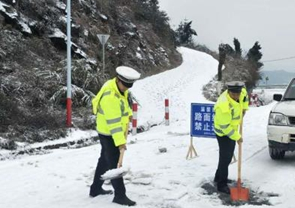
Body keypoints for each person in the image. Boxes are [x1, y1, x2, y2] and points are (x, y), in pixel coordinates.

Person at [90, 66, 141, 206]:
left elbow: (123, 104)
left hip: (110, 131)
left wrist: (129, 115)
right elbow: (114, 124)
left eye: (128, 86)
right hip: (109, 133)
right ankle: (120, 195)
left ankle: (95, 188)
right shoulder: (110, 96)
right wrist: (120, 143)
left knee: (104, 160)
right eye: (125, 85)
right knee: (115, 165)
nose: (126, 88)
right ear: (118, 80)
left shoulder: (117, 87)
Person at [213, 81, 249, 194]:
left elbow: (245, 97)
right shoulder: (223, 105)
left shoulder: (241, 92)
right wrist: (237, 137)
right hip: (223, 133)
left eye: (237, 94)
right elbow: (225, 127)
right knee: (226, 158)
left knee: (226, 157)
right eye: (233, 94)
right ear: (228, 92)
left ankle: (218, 177)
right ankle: (221, 184)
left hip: (231, 129)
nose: (236, 96)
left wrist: (244, 109)